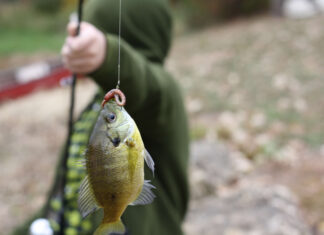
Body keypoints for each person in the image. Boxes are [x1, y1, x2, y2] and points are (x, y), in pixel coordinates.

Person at [13, 0, 189, 234]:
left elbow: (145, 85)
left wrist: (108, 53)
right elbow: (68, 189)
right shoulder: (99, 106)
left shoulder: (162, 95)